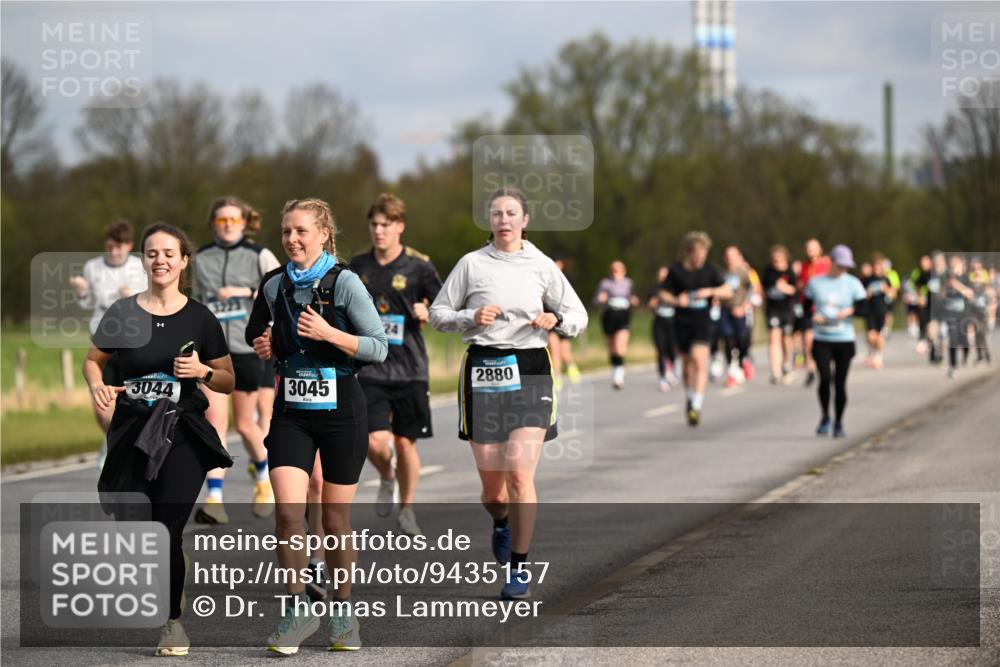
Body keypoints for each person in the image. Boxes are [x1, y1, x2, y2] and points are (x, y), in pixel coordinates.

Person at [429, 186, 588, 600]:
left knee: (520, 474)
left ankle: (519, 567)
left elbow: (578, 315)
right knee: (493, 490)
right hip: (483, 369)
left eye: (511, 213)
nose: (503, 220)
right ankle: (500, 521)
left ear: (525, 220)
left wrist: (555, 319)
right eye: (496, 213)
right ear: (490, 220)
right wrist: (470, 316)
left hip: (531, 368)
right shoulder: (472, 264)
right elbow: (437, 314)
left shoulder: (541, 265)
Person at [246, 198, 388, 654]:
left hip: (343, 408)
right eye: (286, 231)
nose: (292, 240)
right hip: (291, 410)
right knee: (289, 513)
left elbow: (378, 347)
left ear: (323, 233)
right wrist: (265, 344)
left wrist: (331, 334)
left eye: (301, 231)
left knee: (333, 518)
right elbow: (257, 333)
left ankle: (344, 612)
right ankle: (295, 609)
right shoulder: (273, 285)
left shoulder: (344, 283)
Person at [87, 223, 235, 656]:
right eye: (152, 253)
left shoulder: (200, 318)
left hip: (181, 433)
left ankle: (172, 623)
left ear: (184, 261)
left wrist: (203, 373)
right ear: (143, 260)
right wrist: (97, 383)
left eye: (169, 253)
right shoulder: (123, 312)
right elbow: (93, 361)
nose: (161, 260)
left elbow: (227, 380)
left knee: (168, 529)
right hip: (133, 430)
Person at [349, 193, 442, 537]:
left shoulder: (419, 266)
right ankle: (387, 477)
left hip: (410, 368)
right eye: (373, 224)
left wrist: (427, 311)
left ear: (399, 227)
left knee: (405, 443)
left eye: (385, 225)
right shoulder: (357, 267)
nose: (378, 231)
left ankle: (408, 509)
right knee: (374, 442)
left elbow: (443, 306)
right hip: (370, 368)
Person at [192, 197, 281, 524]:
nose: (227, 226)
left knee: (247, 424)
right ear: (213, 224)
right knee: (214, 423)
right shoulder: (201, 258)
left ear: (244, 223)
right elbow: (197, 302)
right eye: (221, 221)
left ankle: (264, 479)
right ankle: (214, 498)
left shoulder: (260, 256)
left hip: (249, 349)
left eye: (233, 220)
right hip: (213, 353)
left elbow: (278, 293)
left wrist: (244, 292)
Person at [69, 220, 147, 469]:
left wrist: (132, 298)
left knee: (132, 400)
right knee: (101, 400)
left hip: (133, 341)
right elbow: (88, 302)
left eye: (120, 247)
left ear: (129, 246)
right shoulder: (93, 267)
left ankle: (123, 445)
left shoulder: (139, 267)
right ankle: (112, 438)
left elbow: (154, 302)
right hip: (102, 338)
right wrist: (81, 291)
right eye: (110, 247)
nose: (114, 253)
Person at [659, 232, 733, 426]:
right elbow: (662, 293)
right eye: (697, 255)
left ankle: (696, 407)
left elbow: (728, 291)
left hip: (703, 320)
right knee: (687, 365)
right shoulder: (676, 271)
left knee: (700, 361)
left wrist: (710, 291)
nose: (701, 259)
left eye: (704, 255)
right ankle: (690, 397)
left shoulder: (711, 271)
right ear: (688, 252)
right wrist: (676, 300)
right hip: (682, 321)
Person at [804, 244, 866, 438]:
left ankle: (838, 422)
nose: (844, 269)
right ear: (831, 261)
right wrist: (813, 317)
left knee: (840, 384)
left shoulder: (853, 283)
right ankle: (825, 416)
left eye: (847, 266)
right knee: (824, 379)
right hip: (822, 339)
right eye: (841, 265)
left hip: (844, 339)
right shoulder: (816, 283)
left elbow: (864, 309)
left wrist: (848, 311)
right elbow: (803, 309)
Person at [718, 245, 761, 388]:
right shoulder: (722, 274)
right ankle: (732, 372)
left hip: (741, 311)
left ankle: (745, 360)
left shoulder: (746, 273)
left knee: (742, 338)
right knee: (728, 337)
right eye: (728, 257)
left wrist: (744, 306)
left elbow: (753, 291)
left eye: (733, 256)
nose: (730, 260)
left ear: (739, 256)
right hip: (725, 310)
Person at [593, 261, 639, 389]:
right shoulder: (605, 283)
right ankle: (615, 372)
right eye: (613, 270)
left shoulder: (628, 283)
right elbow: (596, 300)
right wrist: (600, 299)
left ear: (624, 271)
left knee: (620, 347)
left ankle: (619, 377)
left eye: (618, 271)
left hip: (623, 316)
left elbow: (633, 297)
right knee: (612, 348)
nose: (616, 273)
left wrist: (634, 300)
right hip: (609, 316)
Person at [796, 238, 831, 387]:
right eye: (808, 248)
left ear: (820, 249)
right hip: (808, 308)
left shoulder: (827, 264)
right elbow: (800, 285)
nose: (810, 250)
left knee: (827, 340)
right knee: (808, 340)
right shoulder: (804, 266)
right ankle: (810, 369)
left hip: (825, 309)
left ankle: (829, 368)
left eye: (813, 247)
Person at [761, 245, 798, 384]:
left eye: (779, 259)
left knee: (786, 338)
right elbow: (763, 289)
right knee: (774, 338)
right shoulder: (768, 271)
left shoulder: (790, 271)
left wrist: (786, 288)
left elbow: (796, 289)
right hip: (773, 310)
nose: (776, 262)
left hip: (787, 309)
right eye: (774, 260)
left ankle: (787, 363)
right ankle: (775, 371)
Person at [547, 257, 583, 389]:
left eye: (559, 263)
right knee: (554, 350)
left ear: (562, 265)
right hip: (549, 320)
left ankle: (570, 366)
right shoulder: (544, 278)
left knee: (565, 352)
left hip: (564, 319)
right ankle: (557, 377)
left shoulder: (567, 280)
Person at [939, 253, 975, 378]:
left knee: (963, 340)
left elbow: (970, 294)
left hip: (963, 314)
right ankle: (953, 367)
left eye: (955, 262)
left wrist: (957, 285)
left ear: (961, 263)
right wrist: (946, 286)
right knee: (952, 340)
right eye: (951, 262)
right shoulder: (946, 278)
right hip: (950, 314)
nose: (953, 264)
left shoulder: (966, 278)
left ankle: (966, 352)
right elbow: (940, 295)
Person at [862, 254, 897, 369]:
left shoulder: (886, 279)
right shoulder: (867, 279)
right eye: (875, 266)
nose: (877, 268)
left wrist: (885, 289)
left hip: (882, 311)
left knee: (880, 337)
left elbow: (893, 295)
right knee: (871, 336)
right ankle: (873, 352)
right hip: (870, 311)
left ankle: (878, 356)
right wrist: (868, 293)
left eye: (879, 266)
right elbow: (862, 296)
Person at [648, 266, 680, 392]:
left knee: (672, 350)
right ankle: (662, 378)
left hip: (673, 322)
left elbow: (681, 303)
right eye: (661, 275)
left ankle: (671, 370)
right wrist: (657, 299)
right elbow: (650, 306)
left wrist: (670, 298)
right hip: (659, 322)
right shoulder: (655, 290)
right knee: (661, 350)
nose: (663, 278)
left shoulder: (676, 289)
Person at [968, 257, 994, 365]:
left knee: (983, 334)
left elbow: (990, 296)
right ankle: (980, 356)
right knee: (978, 334)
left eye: (978, 268)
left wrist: (990, 309)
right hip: (973, 311)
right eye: (975, 268)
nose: (977, 270)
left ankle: (987, 355)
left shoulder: (985, 281)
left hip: (983, 311)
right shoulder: (970, 281)